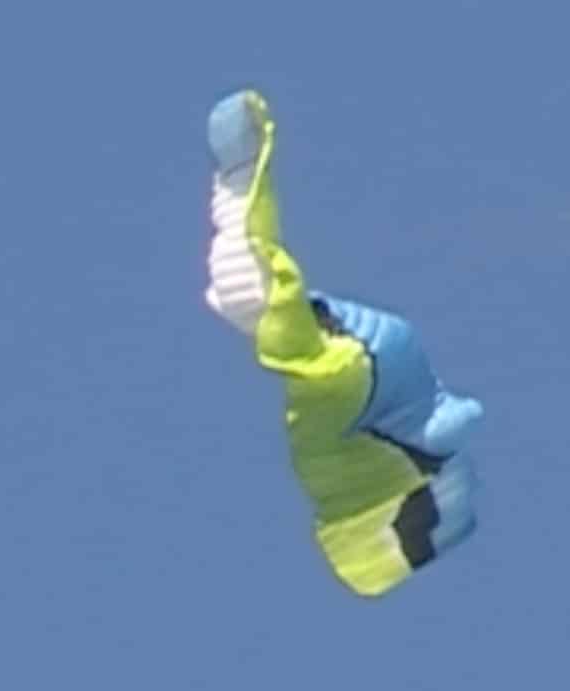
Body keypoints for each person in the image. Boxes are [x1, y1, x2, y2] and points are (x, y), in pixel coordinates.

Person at [202, 89, 484, 597]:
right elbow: (453, 422)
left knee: (260, 301)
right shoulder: (407, 416)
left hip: (354, 375)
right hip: (360, 372)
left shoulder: (344, 385)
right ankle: (243, 189)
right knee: (265, 305)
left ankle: (242, 186)